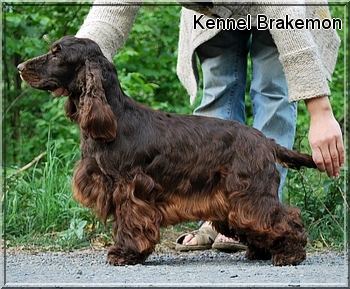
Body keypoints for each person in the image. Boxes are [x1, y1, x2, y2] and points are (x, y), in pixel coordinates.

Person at [75, 1, 345, 251]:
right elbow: (111, 14)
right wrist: (73, 61)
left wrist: (320, 111)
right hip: (211, 14)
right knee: (217, 89)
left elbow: (289, 26)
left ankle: (260, 218)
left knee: (273, 90)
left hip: (284, 13)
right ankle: (216, 217)